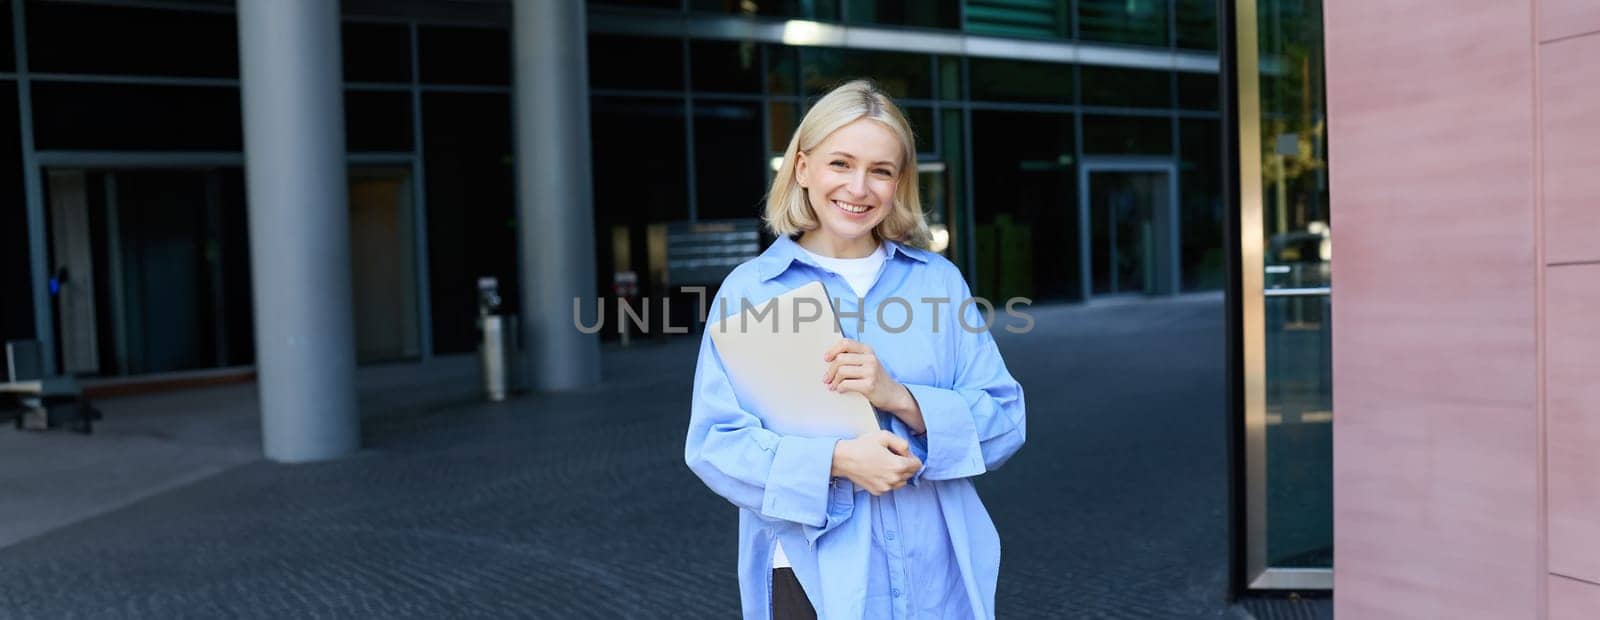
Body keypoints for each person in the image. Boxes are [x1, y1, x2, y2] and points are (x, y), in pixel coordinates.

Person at [685, 79, 1026, 619]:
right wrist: (838, 462)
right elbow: (714, 445)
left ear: (899, 183)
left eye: (881, 170)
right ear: (802, 168)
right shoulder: (751, 290)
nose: (859, 187)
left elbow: (1005, 420)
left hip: (933, 570)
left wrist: (899, 397)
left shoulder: (938, 282)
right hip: (810, 572)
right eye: (840, 163)